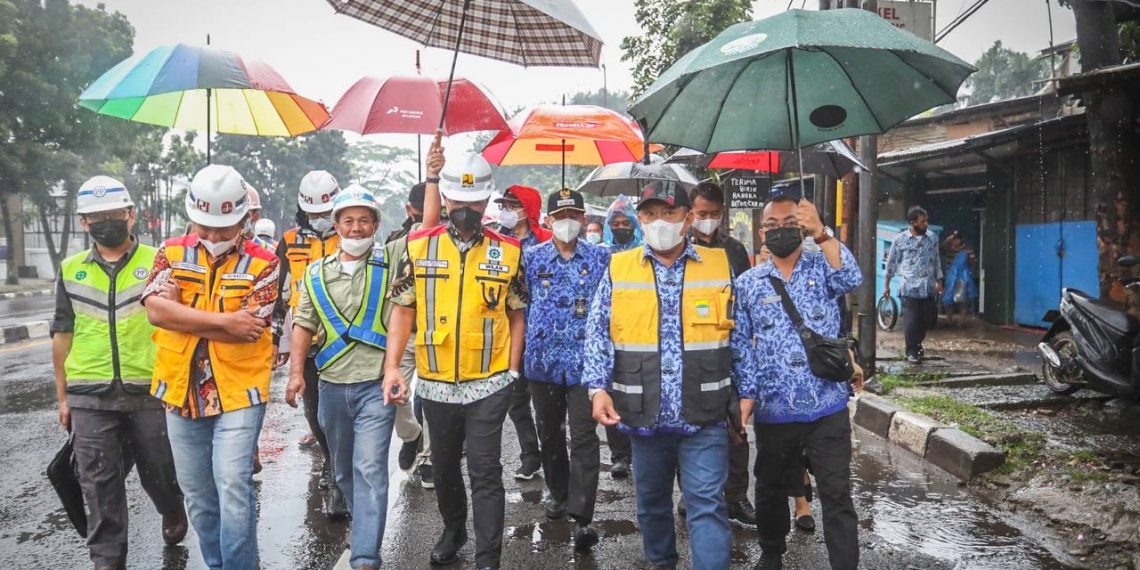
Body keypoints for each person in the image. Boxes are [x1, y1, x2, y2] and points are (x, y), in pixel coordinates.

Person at [382, 148, 526, 570]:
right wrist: (393, 367)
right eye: (459, 203)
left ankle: (488, 556)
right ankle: (453, 529)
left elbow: (517, 313)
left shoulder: (510, 251)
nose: (466, 210)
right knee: (444, 467)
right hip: (436, 381)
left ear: (486, 203)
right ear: (444, 200)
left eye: (475, 202)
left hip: (490, 382)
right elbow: (403, 310)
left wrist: (513, 368)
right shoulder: (418, 246)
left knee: (485, 470)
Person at [586, 182, 739, 570]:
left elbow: (741, 334)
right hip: (643, 412)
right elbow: (598, 331)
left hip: (704, 413)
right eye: (650, 214)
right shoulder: (619, 269)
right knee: (652, 506)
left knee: (706, 504)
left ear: (688, 218)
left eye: (669, 213)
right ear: (640, 219)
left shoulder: (719, 265)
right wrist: (597, 388)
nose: (659, 222)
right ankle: (661, 563)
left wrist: (747, 392)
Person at [144, 164, 279, 570]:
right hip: (180, 390)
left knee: (233, 486)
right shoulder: (169, 252)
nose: (214, 236)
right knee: (198, 495)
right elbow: (154, 311)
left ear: (245, 218)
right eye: (205, 227)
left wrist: (180, 310)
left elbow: (250, 329)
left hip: (239, 391)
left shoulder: (266, 263)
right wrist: (222, 320)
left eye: (224, 227)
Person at [51, 175, 187, 570]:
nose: (105, 221)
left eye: (113, 213)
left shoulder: (158, 261)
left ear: (131, 215)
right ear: (83, 222)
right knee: (98, 483)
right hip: (89, 393)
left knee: (160, 468)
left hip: (150, 387)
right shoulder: (71, 269)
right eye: (96, 216)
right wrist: (63, 397)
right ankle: (108, 561)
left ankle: (172, 508)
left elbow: (178, 319)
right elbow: (62, 334)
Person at [733, 195, 863, 570]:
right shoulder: (748, 284)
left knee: (837, 492)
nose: (780, 229)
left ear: (802, 224)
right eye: (771, 224)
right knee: (770, 487)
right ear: (761, 233)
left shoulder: (823, 266)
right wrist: (747, 394)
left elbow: (851, 278)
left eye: (789, 221)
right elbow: (740, 343)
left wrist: (821, 232)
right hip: (775, 410)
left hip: (827, 406)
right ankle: (772, 553)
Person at [285, 185, 399, 570]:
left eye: (363, 221)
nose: (355, 229)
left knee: (370, 469)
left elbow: (426, 228)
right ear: (336, 226)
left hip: (374, 385)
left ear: (375, 225)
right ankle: (362, 519)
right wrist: (295, 373)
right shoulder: (316, 272)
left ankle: (365, 554)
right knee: (343, 469)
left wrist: (433, 179)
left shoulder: (392, 261)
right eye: (348, 221)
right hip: (332, 386)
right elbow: (303, 323)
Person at [523, 188, 609, 551]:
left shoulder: (602, 259)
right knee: (551, 435)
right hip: (542, 365)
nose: (567, 221)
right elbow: (520, 306)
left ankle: (582, 517)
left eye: (574, 214)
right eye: (560, 216)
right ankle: (558, 492)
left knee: (585, 437)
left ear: (585, 218)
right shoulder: (530, 258)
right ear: (547, 221)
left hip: (585, 365)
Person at [275, 169, 347, 516]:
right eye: (313, 214)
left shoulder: (350, 235)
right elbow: (277, 289)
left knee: (337, 412)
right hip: (305, 335)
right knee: (314, 411)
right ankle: (330, 459)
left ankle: (336, 472)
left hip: (342, 337)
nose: (319, 220)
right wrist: (278, 337)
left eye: (325, 213)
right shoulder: (288, 240)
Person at [684, 181, 756, 528]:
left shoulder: (735, 251)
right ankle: (692, 495)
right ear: (690, 214)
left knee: (735, 426)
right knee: (691, 426)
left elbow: (746, 300)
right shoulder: (678, 248)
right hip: (691, 351)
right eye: (702, 214)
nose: (708, 220)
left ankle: (736, 496)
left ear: (722, 213)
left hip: (728, 348)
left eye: (714, 214)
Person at [492, 185, 546, 480]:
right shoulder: (497, 241)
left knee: (545, 400)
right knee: (516, 399)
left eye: (513, 205)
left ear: (528, 208)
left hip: (543, 332)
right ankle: (530, 455)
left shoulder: (547, 241)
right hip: (508, 329)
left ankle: (551, 454)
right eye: (504, 204)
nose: (506, 210)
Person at [386, 181, 434, 489]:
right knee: (394, 396)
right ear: (408, 210)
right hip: (403, 331)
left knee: (432, 398)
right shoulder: (393, 242)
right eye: (418, 211)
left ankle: (429, 458)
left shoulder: (446, 242)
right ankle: (411, 435)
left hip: (435, 333)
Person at [596, 194, 641, 479]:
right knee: (611, 395)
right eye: (617, 223)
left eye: (627, 222)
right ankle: (619, 456)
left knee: (637, 393)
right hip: (610, 332)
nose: (621, 227)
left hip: (638, 332)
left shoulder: (645, 252)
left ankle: (639, 449)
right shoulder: (600, 254)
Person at [884, 206, 942, 364]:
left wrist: (939, 281)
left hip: (927, 286)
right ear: (913, 223)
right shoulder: (900, 240)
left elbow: (936, 260)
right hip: (909, 286)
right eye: (922, 221)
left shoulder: (932, 238)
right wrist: (886, 285)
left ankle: (917, 344)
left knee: (927, 319)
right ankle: (911, 350)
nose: (926, 224)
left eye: (926, 221)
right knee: (912, 319)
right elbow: (891, 264)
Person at [940, 231, 978, 326]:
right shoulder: (948, 249)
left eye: (957, 239)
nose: (955, 241)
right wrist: (947, 240)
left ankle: (961, 321)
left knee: (962, 301)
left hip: (962, 278)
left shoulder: (967, 250)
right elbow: (939, 249)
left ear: (961, 240)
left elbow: (973, 262)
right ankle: (949, 320)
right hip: (950, 278)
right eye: (953, 239)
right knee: (947, 300)